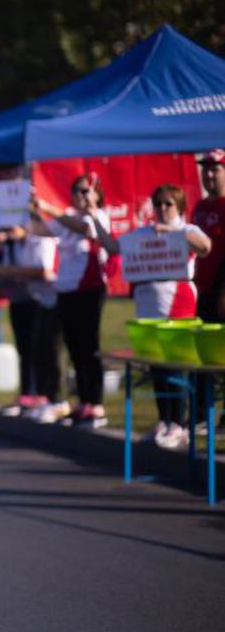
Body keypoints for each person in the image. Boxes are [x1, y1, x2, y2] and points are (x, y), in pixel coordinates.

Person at [101, 185, 210, 448]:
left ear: (179, 208)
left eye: (168, 204)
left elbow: (205, 246)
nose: (162, 209)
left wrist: (174, 230)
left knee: (174, 363)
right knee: (156, 365)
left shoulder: (187, 229)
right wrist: (94, 217)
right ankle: (165, 418)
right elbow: (113, 246)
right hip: (148, 300)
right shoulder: (144, 233)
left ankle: (179, 423)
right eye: (158, 204)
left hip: (177, 299)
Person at [34, 175, 111, 427]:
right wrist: (27, 215)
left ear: (97, 195)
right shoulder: (66, 215)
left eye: (85, 191)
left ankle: (96, 403)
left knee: (89, 345)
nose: (80, 196)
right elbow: (42, 230)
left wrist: (48, 208)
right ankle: (84, 401)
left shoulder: (97, 217)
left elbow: (85, 230)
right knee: (74, 346)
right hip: (66, 289)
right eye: (76, 191)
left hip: (88, 289)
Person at [0, 225, 64, 422]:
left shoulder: (41, 239)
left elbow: (44, 271)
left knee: (42, 349)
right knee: (23, 348)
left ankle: (47, 396)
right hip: (19, 298)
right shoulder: (12, 245)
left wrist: (14, 271)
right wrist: (4, 272)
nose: (13, 228)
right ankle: (27, 394)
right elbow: (5, 272)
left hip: (43, 300)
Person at [191, 149, 225, 322]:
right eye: (205, 170)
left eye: (215, 169)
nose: (209, 175)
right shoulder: (200, 206)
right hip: (200, 288)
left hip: (220, 290)